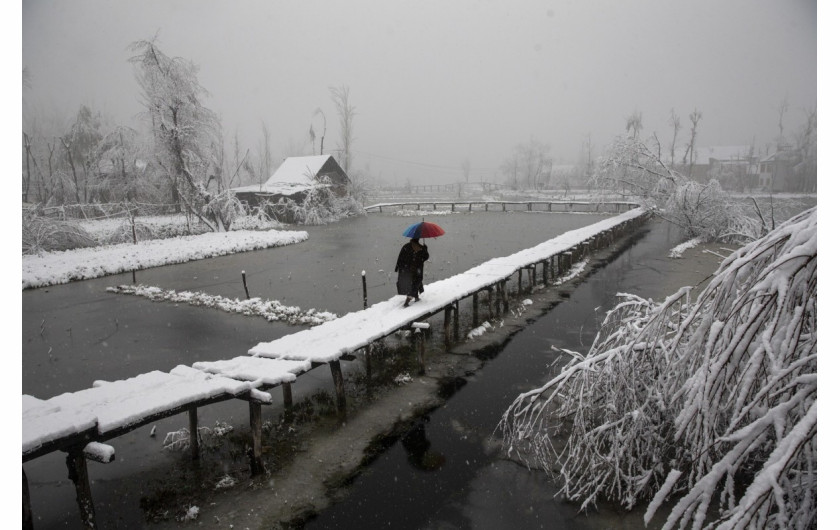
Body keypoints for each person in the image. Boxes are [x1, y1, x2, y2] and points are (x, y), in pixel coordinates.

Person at [395, 237, 429, 307]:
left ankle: (416, 297)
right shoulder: (419, 248)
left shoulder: (406, 246)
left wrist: (398, 268)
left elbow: (400, 257)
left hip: (407, 270)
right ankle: (407, 302)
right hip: (416, 270)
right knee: (416, 282)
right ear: (418, 239)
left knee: (414, 282)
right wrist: (425, 248)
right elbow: (425, 257)